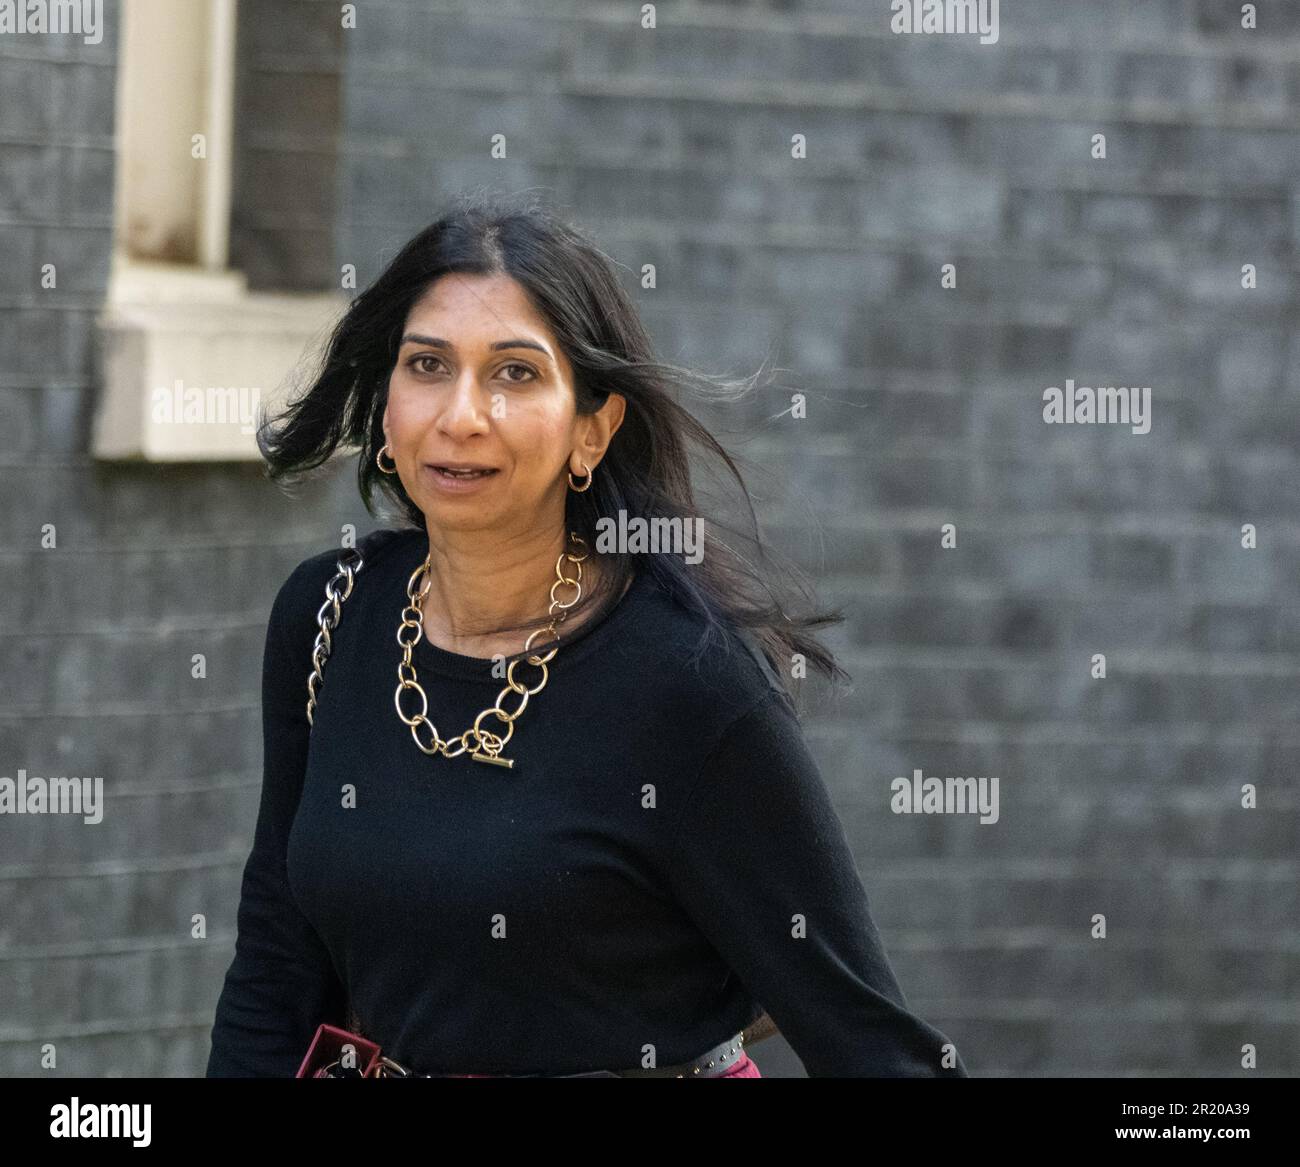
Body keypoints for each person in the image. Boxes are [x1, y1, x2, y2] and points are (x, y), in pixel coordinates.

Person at [204, 195, 968, 1078]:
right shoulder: (328, 617)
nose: (462, 413)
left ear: (592, 430)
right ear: (386, 410)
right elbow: (276, 964)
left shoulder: (687, 682)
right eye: (427, 365)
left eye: (516, 374)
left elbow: (871, 1041)